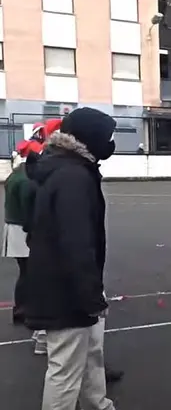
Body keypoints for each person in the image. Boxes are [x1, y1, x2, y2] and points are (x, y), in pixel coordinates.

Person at [24, 107, 119, 410]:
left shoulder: (65, 169)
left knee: (91, 354)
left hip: (65, 285)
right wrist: (90, 296)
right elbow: (75, 243)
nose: (111, 143)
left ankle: (97, 404)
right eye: (107, 138)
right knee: (65, 369)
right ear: (91, 139)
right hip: (66, 290)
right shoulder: (73, 177)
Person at [4, 141, 39, 326]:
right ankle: (24, 309)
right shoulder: (26, 178)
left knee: (25, 272)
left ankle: (21, 309)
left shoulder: (16, 174)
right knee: (29, 273)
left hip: (13, 226)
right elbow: (28, 208)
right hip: (21, 228)